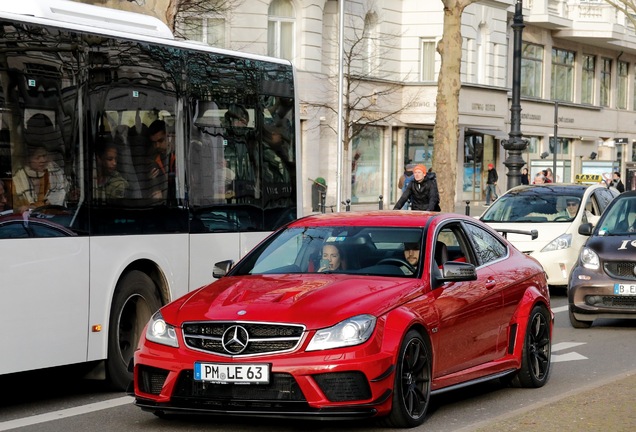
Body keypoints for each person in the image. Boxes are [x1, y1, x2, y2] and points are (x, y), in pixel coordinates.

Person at [12, 142, 67, 213]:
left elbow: (58, 196)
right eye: (37, 157)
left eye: (44, 156)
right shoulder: (17, 179)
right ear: (27, 159)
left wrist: (35, 206)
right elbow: (17, 207)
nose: (43, 160)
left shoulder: (54, 172)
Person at [147, 119, 175, 199]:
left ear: (169, 136)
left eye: (160, 140)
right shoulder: (152, 160)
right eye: (154, 143)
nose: (157, 146)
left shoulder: (182, 155)